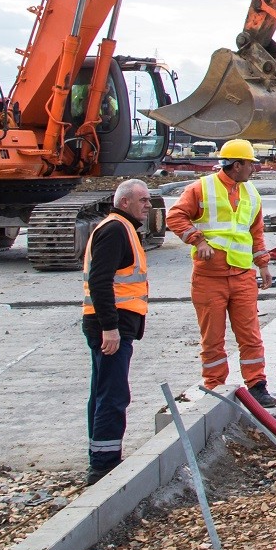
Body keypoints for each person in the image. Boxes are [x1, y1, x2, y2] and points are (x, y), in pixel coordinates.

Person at [167, 139, 276, 408]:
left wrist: (263, 264)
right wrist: (198, 240)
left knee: (250, 335)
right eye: (250, 163)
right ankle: (215, 385)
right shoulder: (201, 188)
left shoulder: (251, 194)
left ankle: (257, 385)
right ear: (236, 165)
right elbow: (175, 216)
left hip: (241, 275)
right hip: (209, 278)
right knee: (213, 338)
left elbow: (255, 233)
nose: (254, 168)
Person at [83, 179, 153, 483]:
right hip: (111, 326)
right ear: (124, 202)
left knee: (104, 391)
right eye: (143, 200)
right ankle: (104, 464)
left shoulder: (121, 228)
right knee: (112, 393)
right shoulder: (115, 230)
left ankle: (101, 456)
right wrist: (110, 328)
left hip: (114, 324)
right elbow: (100, 281)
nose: (148, 205)